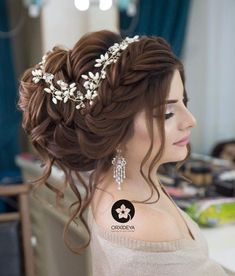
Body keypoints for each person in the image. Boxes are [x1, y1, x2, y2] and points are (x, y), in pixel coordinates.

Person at [18, 30, 228, 275]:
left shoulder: (115, 181)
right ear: (116, 129)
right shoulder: (149, 225)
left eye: (184, 102)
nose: (190, 120)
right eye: (166, 114)